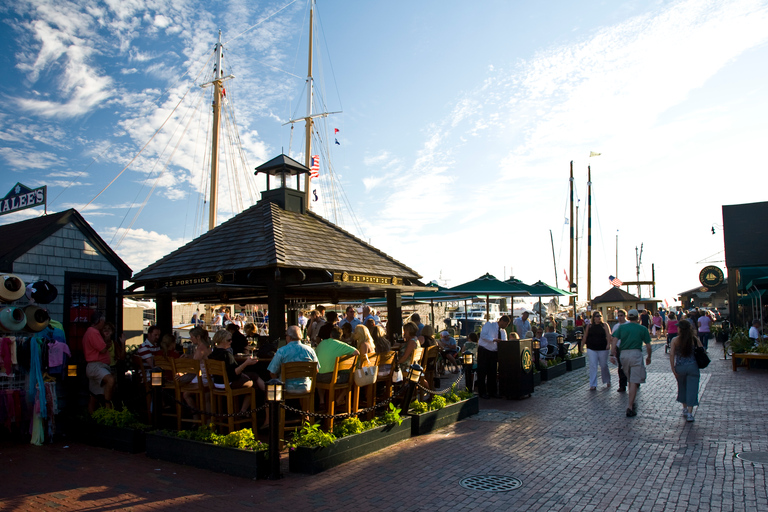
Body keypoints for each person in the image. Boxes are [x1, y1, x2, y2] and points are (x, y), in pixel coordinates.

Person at [209, 330, 263, 414]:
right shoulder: (226, 354)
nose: (231, 342)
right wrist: (246, 363)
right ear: (222, 340)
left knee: (253, 375)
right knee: (253, 385)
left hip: (216, 383)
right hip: (228, 383)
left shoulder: (212, 354)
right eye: (228, 340)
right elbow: (234, 373)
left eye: (231, 340)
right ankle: (243, 411)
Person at [610, 309, 652, 417]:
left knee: (630, 378)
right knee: (634, 381)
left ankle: (631, 401)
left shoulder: (622, 327)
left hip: (624, 354)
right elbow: (648, 345)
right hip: (636, 353)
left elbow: (614, 339)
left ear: (628, 317)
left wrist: (612, 354)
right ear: (638, 318)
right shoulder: (642, 328)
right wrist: (649, 357)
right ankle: (630, 405)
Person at [268, 325, 318, 393]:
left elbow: (272, 372)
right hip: (305, 387)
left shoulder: (282, 351)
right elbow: (316, 370)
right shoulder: (310, 350)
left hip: (286, 387)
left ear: (289, 337)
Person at [669, 319, 702, 422]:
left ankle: (684, 408)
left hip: (680, 367)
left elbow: (672, 354)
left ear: (680, 329)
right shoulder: (694, 339)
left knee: (682, 387)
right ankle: (690, 413)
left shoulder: (675, 340)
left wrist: (673, 369)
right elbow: (702, 350)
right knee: (692, 389)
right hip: (693, 366)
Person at [83, 312, 115, 413]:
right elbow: (103, 349)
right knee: (110, 380)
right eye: (103, 321)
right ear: (100, 321)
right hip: (97, 366)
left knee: (94, 395)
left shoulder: (90, 332)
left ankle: (91, 417)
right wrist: (107, 342)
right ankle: (108, 406)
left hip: (96, 366)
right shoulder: (94, 332)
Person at [477, 315, 510, 399]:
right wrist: (493, 339)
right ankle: (482, 392)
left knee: (492, 373)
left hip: (494, 352)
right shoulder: (489, 325)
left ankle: (492, 391)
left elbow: (504, 342)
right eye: (506, 324)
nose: (506, 326)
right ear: (502, 321)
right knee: (482, 372)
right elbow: (483, 335)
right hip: (484, 350)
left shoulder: (503, 332)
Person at [584, 311, 612, 390]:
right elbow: (585, 336)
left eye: (599, 316)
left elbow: (608, 335)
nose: (598, 318)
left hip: (602, 348)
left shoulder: (604, 325)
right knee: (593, 365)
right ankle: (593, 384)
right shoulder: (589, 326)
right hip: (591, 348)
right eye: (597, 316)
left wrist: (608, 344)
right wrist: (582, 345)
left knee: (603, 365)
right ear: (594, 318)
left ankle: (607, 380)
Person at [611, 309, 629, 393]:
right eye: (619, 316)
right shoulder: (616, 326)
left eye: (621, 315)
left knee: (630, 366)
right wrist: (613, 349)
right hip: (619, 348)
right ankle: (622, 385)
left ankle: (633, 382)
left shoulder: (629, 324)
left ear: (625, 316)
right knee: (621, 367)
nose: (620, 317)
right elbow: (613, 339)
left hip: (628, 348)